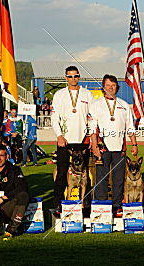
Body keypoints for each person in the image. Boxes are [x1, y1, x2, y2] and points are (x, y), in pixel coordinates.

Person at [89, 74, 138, 216]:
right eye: (108, 85)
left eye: (113, 85)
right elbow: (92, 127)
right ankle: (101, 206)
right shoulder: (96, 105)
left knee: (118, 179)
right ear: (103, 87)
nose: (111, 88)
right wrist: (94, 146)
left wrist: (134, 144)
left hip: (120, 148)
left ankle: (117, 205)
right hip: (102, 147)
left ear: (117, 87)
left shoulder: (124, 105)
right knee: (102, 178)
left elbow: (130, 127)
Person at [51, 66, 94, 217]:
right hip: (65, 141)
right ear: (65, 78)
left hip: (82, 140)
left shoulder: (87, 94)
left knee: (85, 175)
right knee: (62, 174)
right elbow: (54, 118)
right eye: (70, 76)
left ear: (79, 77)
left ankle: (85, 205)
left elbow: (91, 118)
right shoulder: (59, 94)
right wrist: (59, 135)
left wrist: (90, 136)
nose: (73, 79)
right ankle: (58, 205)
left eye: (75, 76)